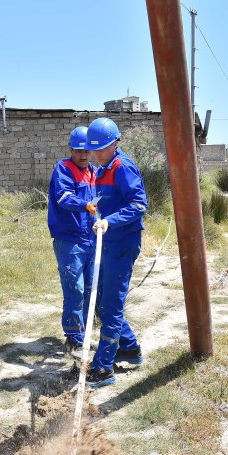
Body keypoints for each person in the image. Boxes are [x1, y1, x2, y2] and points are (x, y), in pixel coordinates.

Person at [85, 117, 147, 388]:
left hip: (123, 243)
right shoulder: (102, 168)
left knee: (111, 305)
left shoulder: (123, 167)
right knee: (101, 301)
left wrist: (111, 221)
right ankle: (130, 349)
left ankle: (103, 368)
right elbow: (109, 199)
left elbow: (138, 204)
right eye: (94, 150)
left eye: (102, 149)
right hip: (108, 241)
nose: (97, 154)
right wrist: (95, 206)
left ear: (116, 143)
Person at [47, 126, 98, 359]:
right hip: (69, 240)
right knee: (74, 289)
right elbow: (64, 198)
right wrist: (84, 205)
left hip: (91, 238)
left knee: (90, 289)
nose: (83, 155)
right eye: (78, 150)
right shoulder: (63, 169)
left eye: (87, 150)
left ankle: (85, 335)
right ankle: (73, 338)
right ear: (71, 149)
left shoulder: (95, 172)